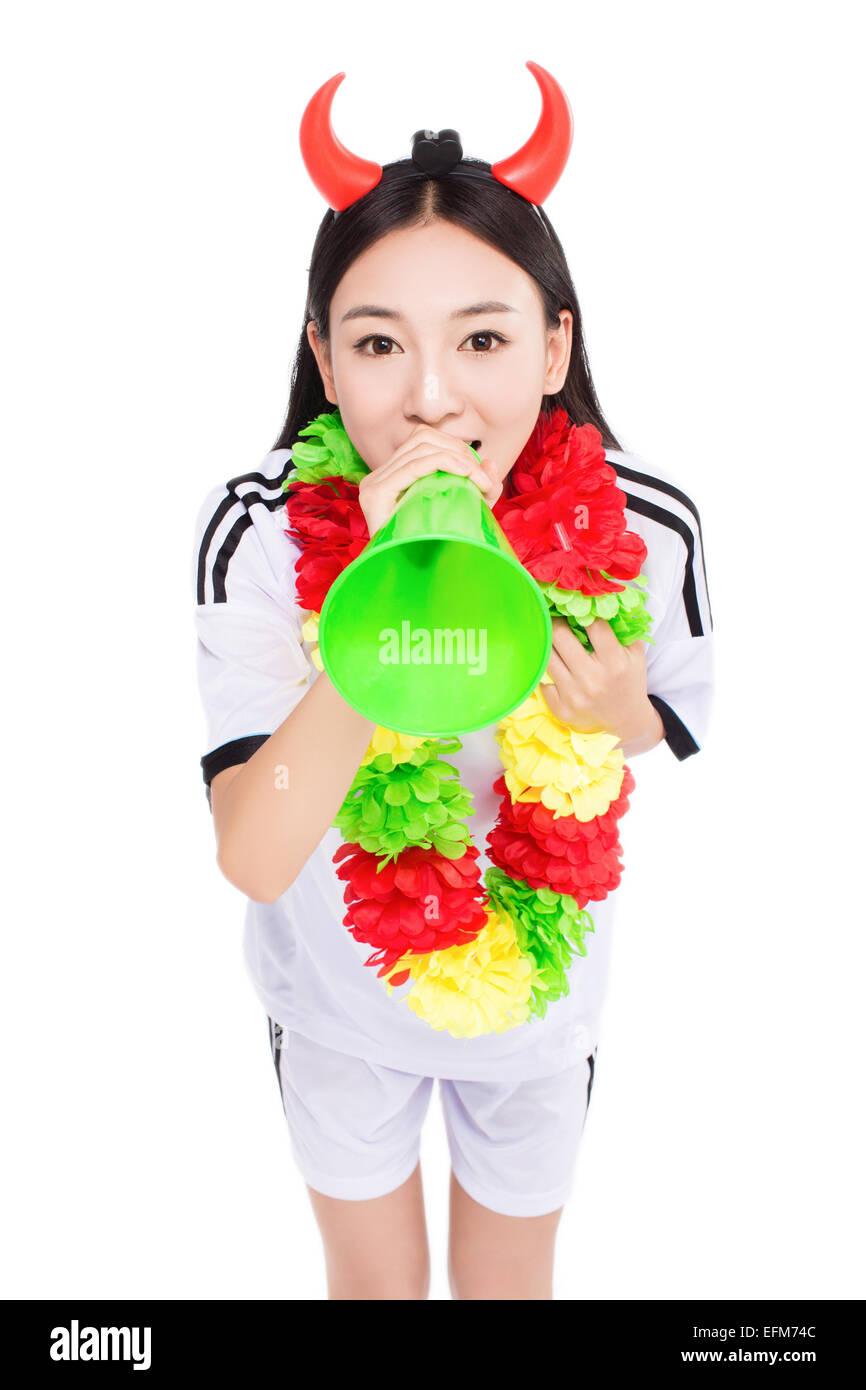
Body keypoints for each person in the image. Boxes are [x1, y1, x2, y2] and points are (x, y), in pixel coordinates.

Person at [190, 63, 714, 1300]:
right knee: (372, 1289)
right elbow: (258, 854)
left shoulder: (647, 523)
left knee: (508, 1285)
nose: (430, 395)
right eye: (378, 344)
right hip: (335, 1000)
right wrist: (385, 590)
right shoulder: (258, 528)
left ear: (552, 347)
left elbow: (655, 722)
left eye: (481, 337)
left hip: (539, 1011)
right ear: (323, 358)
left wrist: (612, 711)